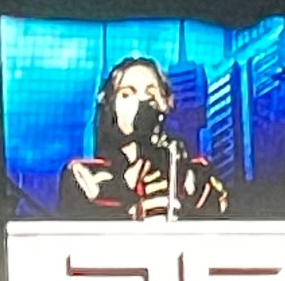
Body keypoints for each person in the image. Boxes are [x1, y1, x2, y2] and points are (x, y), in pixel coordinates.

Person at [59, 56, 229, 219]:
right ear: (110, 105)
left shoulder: (196, 176)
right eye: (127, 94)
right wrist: (125, 187)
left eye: (151, 95)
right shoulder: (85, 177)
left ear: (167, 105)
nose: (141, 102)